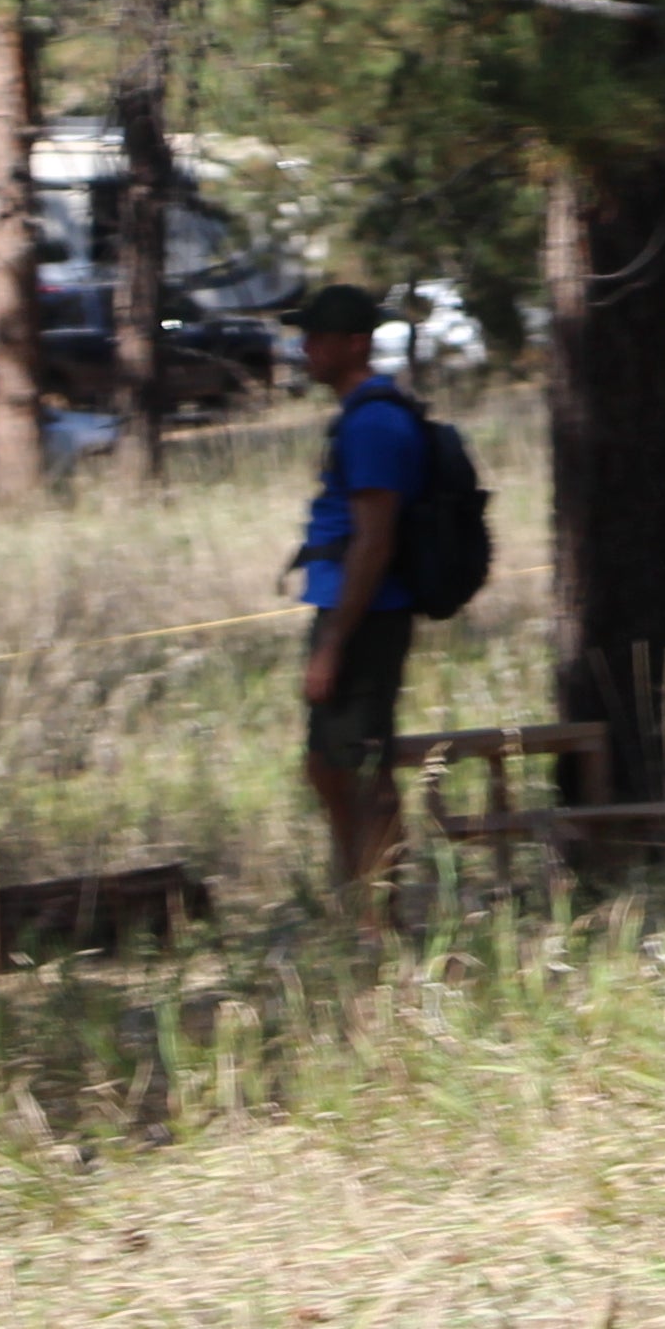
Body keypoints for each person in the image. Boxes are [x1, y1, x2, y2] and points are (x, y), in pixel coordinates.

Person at [283, 284, 424, 899]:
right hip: (350, 614)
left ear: (355, 344)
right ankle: (355, 890)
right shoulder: (362, 417)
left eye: (318, 338)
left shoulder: (374, 424)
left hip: (366, 617)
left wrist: (334, 644)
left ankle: (379, 915)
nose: (306, 348)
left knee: (363, 769)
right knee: (331, 764)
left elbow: (374, 542)